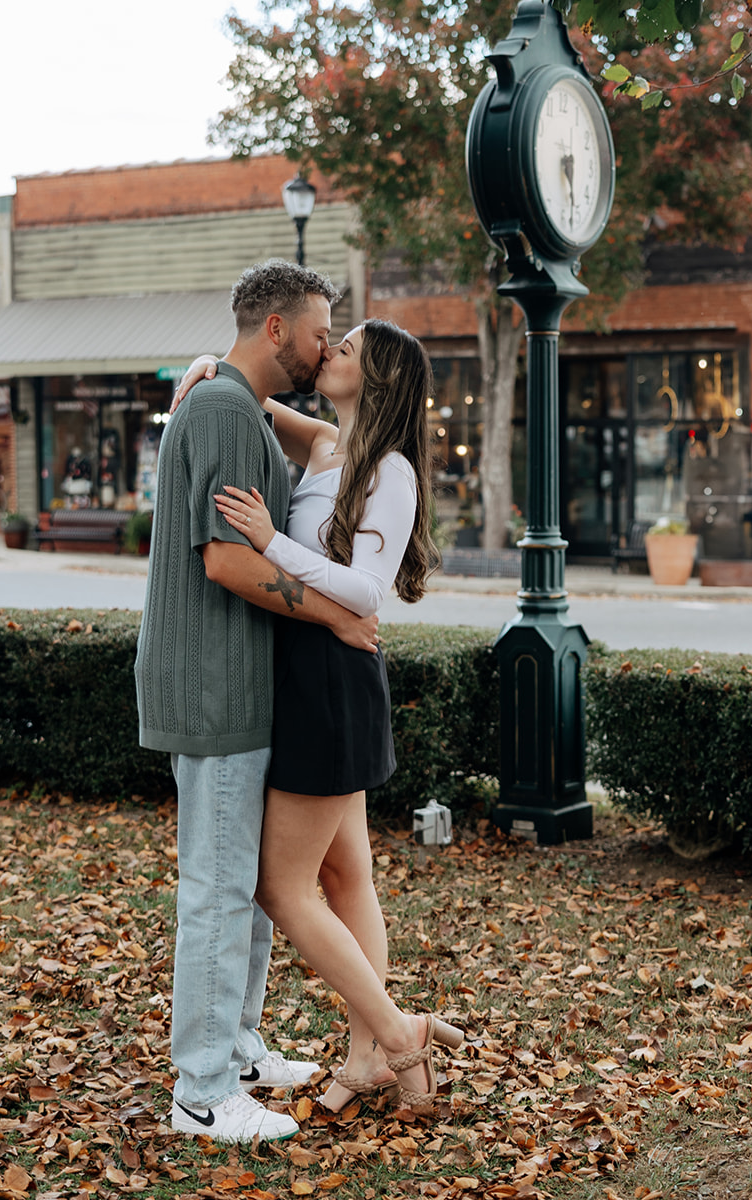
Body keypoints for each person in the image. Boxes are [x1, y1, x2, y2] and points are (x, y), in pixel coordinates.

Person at [176, 318, 464, 1117]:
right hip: (312, 672)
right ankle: (369, 1054)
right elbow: (258, 400)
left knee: (283, 886)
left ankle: (397, 1038)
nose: (329, 350)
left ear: (374, 381)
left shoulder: (391, 471)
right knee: (345, 877)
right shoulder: (331, 444)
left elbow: (367, 592)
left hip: (332, 681)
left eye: (346, 348)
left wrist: (272, 543)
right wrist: (210, 361)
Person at [134, 261, 383, 1147]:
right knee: (217, 888)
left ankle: (234, 1049)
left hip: (238, 683)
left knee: (240, 885)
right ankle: (202, 1090)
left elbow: (328, 438)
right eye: (320, 329)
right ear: (276, 329)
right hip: (215, 688)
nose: (327, 345)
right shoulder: (225, 411)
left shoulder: (232, 406)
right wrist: (338, 616)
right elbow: (229, 561)